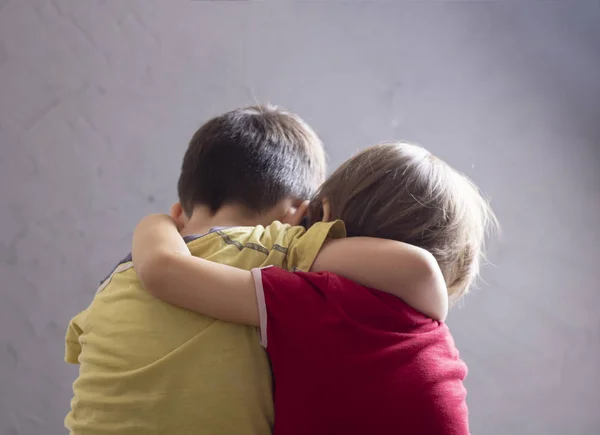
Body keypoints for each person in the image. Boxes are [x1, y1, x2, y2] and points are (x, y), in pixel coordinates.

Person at [64, 107, 446, 435]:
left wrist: (155, 224)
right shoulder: (279, 248)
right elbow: (414, 270)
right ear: (298, 213)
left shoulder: (114, 282)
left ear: (180, 211)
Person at [132, 142, 498, 435]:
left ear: (321, 215)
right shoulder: (426, 330)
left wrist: (158, 223)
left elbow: (165, 272)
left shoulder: (321, 301)